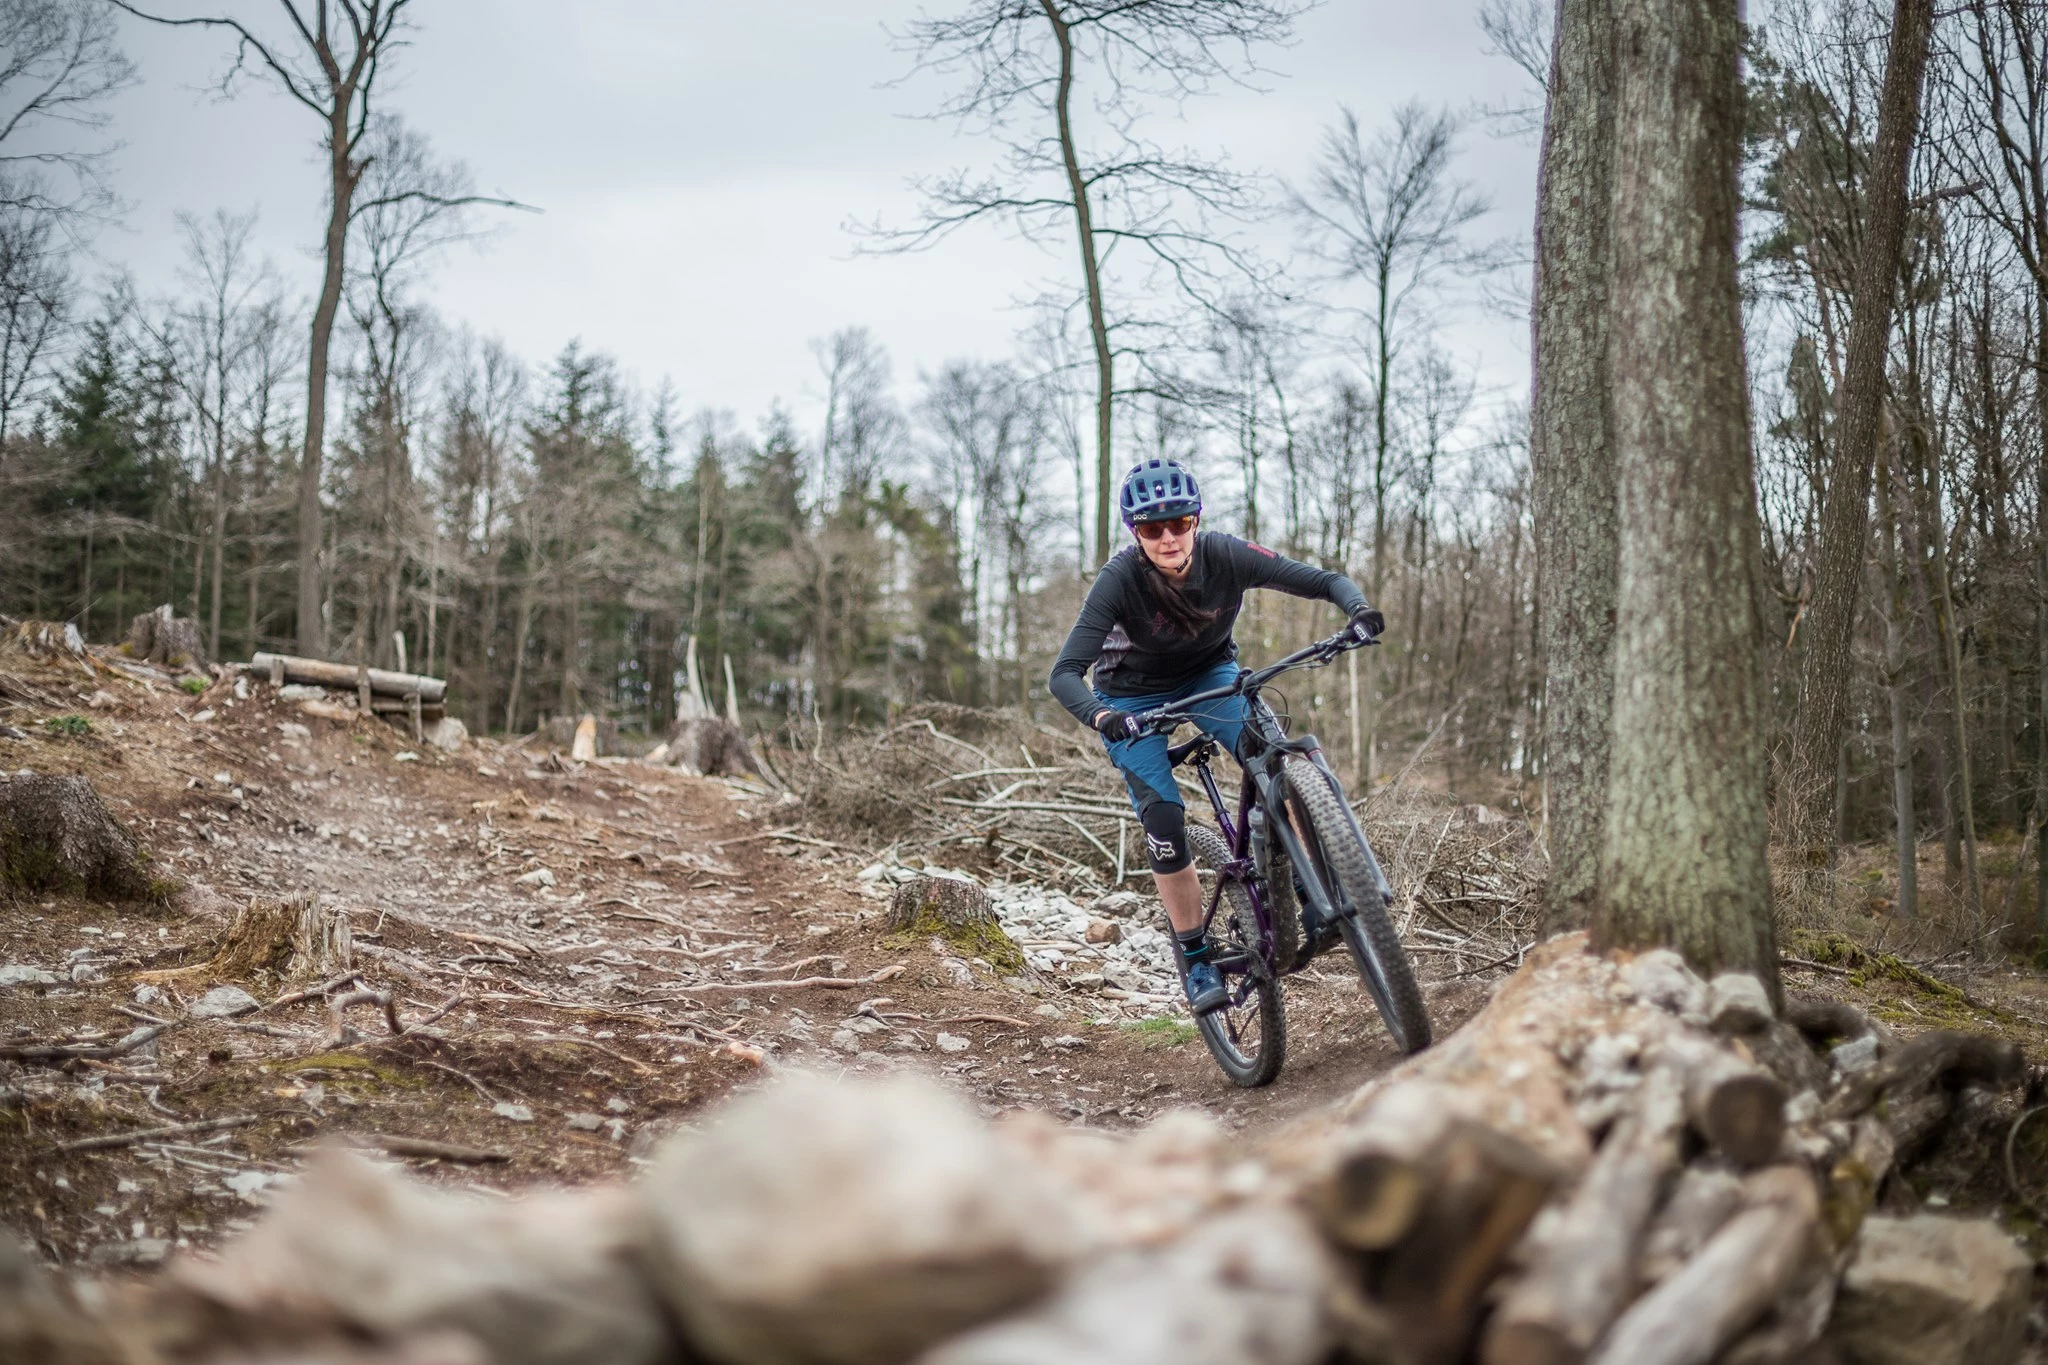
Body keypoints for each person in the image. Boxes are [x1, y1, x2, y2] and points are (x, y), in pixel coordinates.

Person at [1048, 458, 1383, 1015]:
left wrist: (1358, 612)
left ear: (1196, 520)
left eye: (1179, 522)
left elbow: (1324, 581)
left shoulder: (1225, 555)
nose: (1169, 537)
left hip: (1210, 675)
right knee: (1164, 817)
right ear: (1136, 533)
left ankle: (1311, 889)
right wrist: (1105, 719)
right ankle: (1196, 953)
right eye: (1153, 529)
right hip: (1131, 699)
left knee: (1276, 756)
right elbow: (1064, 674)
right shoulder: (1119, 580)